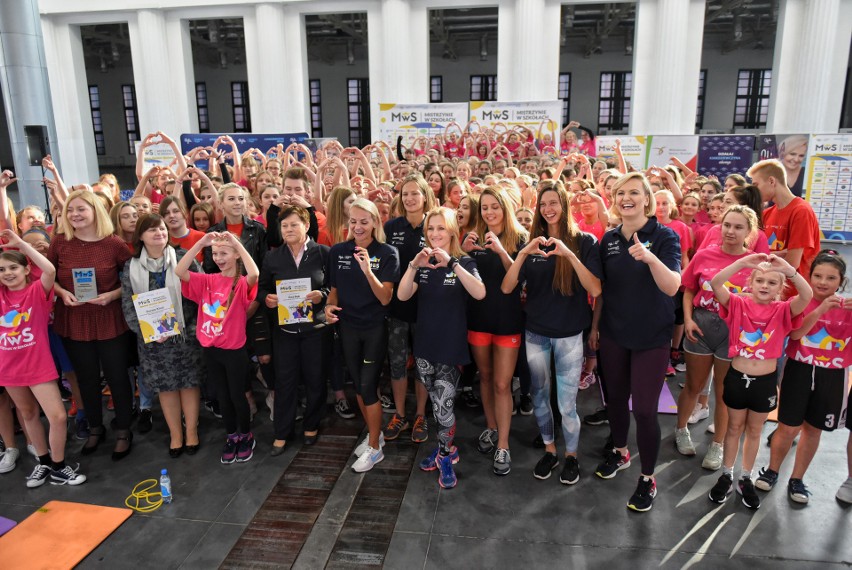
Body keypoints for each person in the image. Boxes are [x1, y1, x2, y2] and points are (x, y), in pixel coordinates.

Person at [501, 180, 602, 485]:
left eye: (553, 202)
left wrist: (568, 255)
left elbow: (595, 288)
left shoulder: (584, 242)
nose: (548, 209)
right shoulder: (531, 242)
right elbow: (507, 287)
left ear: (564, 204)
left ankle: (571, 456)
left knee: (567, 404)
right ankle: (549, 449)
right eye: (543, 204)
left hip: (570, 334)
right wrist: (522, 254)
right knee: (540, 397)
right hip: (536, 333)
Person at [593, 172, 681, 513]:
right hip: (614, 332)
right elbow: (603, 290)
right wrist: (595, 328)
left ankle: (647, 478)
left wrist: (649, 257)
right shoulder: (609, 238)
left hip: (651, 337)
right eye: (620, 193)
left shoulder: (664, 236)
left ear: (647, 199)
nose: (626, 198)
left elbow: (673, 286)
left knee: (645, 410)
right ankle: (620, 451)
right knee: (615, 398)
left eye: (633, 192)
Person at [707, 253, 811, 509]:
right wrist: (742, 263)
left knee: (754, 431)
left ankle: (746, 476)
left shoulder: (784, 310)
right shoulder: (738, 304)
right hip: (736, 378)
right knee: (733, 428)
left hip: (764, 382)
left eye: (772, 282)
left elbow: (806, 296)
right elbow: (716, 283)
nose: (765, 286)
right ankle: (727, 473)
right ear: (751, 283)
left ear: (780, 288)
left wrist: (788, 269)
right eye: (760, 281)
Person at [397, 207, 485, 488]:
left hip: (450, 345)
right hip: (425, 344)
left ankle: (446, 455)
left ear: (452, 231)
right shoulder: (422, 265)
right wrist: (413, 265)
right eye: (430, 229)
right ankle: (446, 448)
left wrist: (452, 264)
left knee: (444, 405)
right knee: (436, 405)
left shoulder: (464, 262)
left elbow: (480, 293)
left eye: (440, 228)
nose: (435, 234)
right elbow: (402, 295)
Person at [754, 250, 852, 503]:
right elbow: (795, 335)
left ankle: (797, 479)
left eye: (831, 278)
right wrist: (819, 311)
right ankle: (773, 470)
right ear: (809, 277)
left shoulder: (847, 307)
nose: (823, 282)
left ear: (841, 281)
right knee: (787, 427)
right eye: (818, 275)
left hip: (833, 375)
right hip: (799, 368)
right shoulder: (799, 301)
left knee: (813, 429)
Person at [48, 190, 134, 460]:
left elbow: (132, 279)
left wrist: (112, 295)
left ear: (95, 210)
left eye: (81, 209)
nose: (74, 214)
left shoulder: (114, 243)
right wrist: (62, 293)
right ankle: (96, 427)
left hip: (109, 318)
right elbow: (47, 276)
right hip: (73, 319)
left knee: (117, 377)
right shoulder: (60, 242)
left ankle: (123, 429)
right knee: (85, 379)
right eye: (70, 210)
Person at [675, 206, 761, 470]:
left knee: (725, 393)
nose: (730, 231)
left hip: (733, 333)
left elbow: (765, 300)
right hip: (700, 327)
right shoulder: (704, 255)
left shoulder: (755, 263)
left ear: (749, 232)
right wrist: (688, 320)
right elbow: (688, 290)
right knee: (693, 385)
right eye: (727, 225)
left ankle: (718, 444)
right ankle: (680, 430)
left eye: (738, 227)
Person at [0, 230, 86, 486]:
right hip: (8, 367)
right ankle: (44, 462)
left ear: (26, 269)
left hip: (37, 364)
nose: (7, 273)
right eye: (2, 270)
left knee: (58, 416)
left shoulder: (37, 291)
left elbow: (49, 270)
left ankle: (59, 465)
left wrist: (22, 244)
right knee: (27, 414)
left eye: (13, 268)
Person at [325, 198, 400, 473]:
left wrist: (368, 270)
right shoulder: (338, 252)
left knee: (368, 386)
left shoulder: (388, 252)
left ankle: (375, 448)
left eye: (364, 221)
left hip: (374, 328)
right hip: (347, 327)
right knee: (358, 385)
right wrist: (329, 306)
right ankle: (374, 434)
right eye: (353, 221)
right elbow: (334, 289)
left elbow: (385, 298)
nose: (358, 227)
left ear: (375, 223)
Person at [121, 214, 204, 458]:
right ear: (141, 236)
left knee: (189, 384)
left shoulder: (182, 258)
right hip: (153, 341)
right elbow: (128, 304)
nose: (159, 233)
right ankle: (175, 434)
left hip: (185, 334)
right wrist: (148, 332)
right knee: (166, 388)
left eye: (162, 229)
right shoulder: (131, 266)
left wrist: (191, 327)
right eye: (152, 230)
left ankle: (192, 432)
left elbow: (201, 292)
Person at [177, 231, 259, 464]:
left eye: (224, 253)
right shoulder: (207, 280)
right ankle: (232, 436)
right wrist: (200, 243)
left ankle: (246, 435)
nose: (219, 258)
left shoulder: (241, 284)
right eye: (215, 254)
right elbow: (179, 271)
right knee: (223, 397)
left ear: (235, 256)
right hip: (211, 351)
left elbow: (254, 272)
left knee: (237, 395)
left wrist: (236, 242)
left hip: (234, 351)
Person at [462, 186, 528, 476]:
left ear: (505, 208)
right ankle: (491, 427)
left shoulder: (519, 238)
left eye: (494, 206)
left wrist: (501, 251)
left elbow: (519, 280)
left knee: (503, 384)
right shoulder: (473, 238)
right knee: (485, 378)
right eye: (485, 207)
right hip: (478, 320)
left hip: (508, 322)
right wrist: (463, 253)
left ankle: (503, 443)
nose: (489, 212)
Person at [258, 206, 330, 455]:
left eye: (293, 224)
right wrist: (267, 299)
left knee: (315, 379)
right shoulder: (273, 257)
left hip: (316, 330)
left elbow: (334, 287)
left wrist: (323, 294)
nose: (288, 230)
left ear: (307, 225)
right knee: (285, 382)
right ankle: (282, 431)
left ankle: (311, 424)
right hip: (285, 332)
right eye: (284, 226)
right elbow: (262, 288)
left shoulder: (323, 253)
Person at [382, 175, 436, 444]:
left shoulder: (435, 225)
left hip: (428, 307)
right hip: (397, 308)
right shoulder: (391, 226)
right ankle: (400, 414)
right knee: (397, 363)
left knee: (423, 364)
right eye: (405, 194)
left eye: (415, 193)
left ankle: (421, 415)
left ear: (425, 195)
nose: (410, 198)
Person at [747, 159, 820, 298]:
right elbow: (752, 253)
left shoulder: (801, 210)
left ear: (771, 181)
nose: (754, 191)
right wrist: (780, 253)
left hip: (794, 295)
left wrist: (766, 255)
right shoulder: (767, 213)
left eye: (756, 184)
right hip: (771, 293)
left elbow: (792, 262)